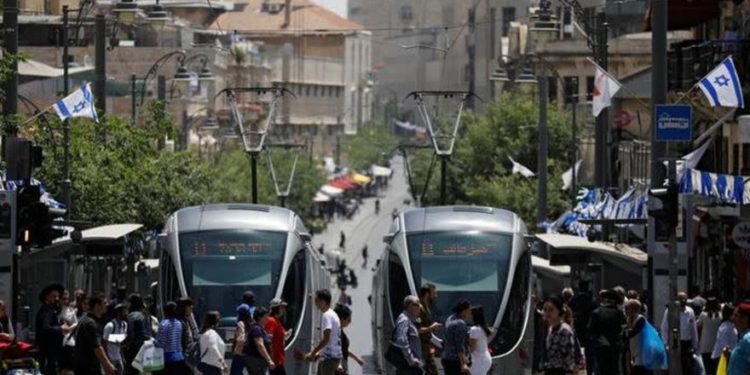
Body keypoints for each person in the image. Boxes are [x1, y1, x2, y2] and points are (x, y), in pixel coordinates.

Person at [74, 293, 117, 375]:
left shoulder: (87, 320)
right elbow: (97, 347)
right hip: (88, 367)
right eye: (104, 303)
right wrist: (108, 365)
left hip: (83, 365)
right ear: (97, 305)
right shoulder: (91, 323)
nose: (107, 305)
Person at [660, 291, 699, 375]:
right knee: (675, 367)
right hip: (675, 342)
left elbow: (693, 329)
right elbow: (664, 327)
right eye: (681, 299)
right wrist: (665, 343)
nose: (683, 301)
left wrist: (695, 345)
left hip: (687, 343)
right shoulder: (670, 311)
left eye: (685, 299)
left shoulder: (690, 312)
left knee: (687, 367)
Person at [588, 289, 625, 375]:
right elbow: (622, 330)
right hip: (614, 348)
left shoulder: (596, 312)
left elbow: (590, 331)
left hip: (600, 348)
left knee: (600, 370)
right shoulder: (618, 313)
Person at [305, 289, 342, 375]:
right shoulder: (333, 314)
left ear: (323, 301)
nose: (315, 304)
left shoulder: (327, 316)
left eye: (316, 300)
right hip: (334, 357)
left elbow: (326, 338)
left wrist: (313, 353)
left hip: (328, 360)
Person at [36, 283, 70, 375]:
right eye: (54, 296)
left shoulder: (51, 310)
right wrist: (60, 328)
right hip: (48, 353)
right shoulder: (46, 311)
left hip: (52, 354)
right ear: (47, 297)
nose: (57, 299)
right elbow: (45, 328)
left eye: (58, 296)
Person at [542, 295, 577, 375]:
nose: (547, 313)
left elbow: (568, 357)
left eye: (551, 309)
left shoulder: (564, 330)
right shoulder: (550, 329)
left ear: (559, 311)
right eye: (545, 309)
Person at [155, 301, 189, 374]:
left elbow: (161, 343)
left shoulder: (164, 323)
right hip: (179, 357)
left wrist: (154, 342)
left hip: (168, 359)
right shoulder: (179, 323)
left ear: (165, 311)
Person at [123, 294, 153, 375]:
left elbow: (130, 334)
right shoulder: (146, 315)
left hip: (134, 352)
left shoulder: (131, 316)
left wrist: (125, 345)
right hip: (146, 350)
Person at [441, 299, 473, 375]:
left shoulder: (450, 319)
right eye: (469, 310)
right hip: (456, 361)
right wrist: (463, 364)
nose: (470, 313)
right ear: (464, 311)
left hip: (447, 358)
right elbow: (460, 345)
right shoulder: (460, 324)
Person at [394, 296, 423, 375]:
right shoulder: (404, 320)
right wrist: (410, 359)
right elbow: (401, 340)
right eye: (417, 305)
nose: (420, 307)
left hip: (411, 366)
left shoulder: (409, 320)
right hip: (407, 367)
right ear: (410, 306)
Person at [334, 304, 366, 375]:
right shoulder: (335, 333)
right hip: (337, 369)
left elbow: (344, 349)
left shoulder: (339, 332)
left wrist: (357, 359)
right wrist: (338, 364)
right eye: (348, 319)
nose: (350, 322)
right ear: (342, 319)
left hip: (341, 368)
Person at [417, 284, 441, 375]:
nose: (436, 296)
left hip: (426, 347)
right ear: (427, 294)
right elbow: (418, 329)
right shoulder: (419, 308)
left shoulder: (426, 307)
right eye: (434, 293)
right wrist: (431, 327)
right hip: (420, 347)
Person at [245, 307, 275, 375]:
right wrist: (269, 360)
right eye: (266, 316)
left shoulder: (260, 328)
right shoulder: (257, 328)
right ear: (260, 317)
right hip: (257, 361)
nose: (267, 318)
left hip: (259, 361)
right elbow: (260, 345)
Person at [624, 299, 650, 375]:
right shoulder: (629, 319)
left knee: (638, 370)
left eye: (627, 309)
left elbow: (633, 333)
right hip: (633, 350)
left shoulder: (640, 319)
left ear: (633, 309)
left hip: (641, 350)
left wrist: (624, 331)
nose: (626, 311)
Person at [697, 297, 722, 375]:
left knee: (707, 368)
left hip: (705, 345)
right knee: (715, 368)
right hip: (716, 345)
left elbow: (697, 324)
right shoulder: (720, 315)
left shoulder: (703, 315)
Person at [198, 311, 227, 375]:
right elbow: (213, 348)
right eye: (218, 319)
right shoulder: (211, 333)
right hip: (212, 367)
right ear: (215, 321)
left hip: (208, 365)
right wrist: (223, 363)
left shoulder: (204, 333)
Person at [103, 303, 128, 375]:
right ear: (118, 313)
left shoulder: (124, 325)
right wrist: (107, 360)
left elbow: (119, 343)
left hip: (118, 358)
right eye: (124, 311)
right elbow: (104, 343)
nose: (126, 313)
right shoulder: (110, 325)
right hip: (110, 358)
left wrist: (122, 356)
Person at [266, 298, 289, 375]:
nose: (283, 310)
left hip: (279, 358)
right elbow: (269, 339)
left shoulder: (277, 321)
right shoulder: (271, 320)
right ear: (276, 308)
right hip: (274, 359)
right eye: (281, 307)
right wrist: (270, 359)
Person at [727, 301, 750, 375]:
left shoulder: (747, 339)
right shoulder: (743, 337)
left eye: (736, 316)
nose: (732, 318)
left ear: (745, 319)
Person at [469, 306, 493, 375]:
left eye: (470, 314)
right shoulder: (483, 328)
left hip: (478, 362)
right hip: (485, 359)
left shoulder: (474, 329)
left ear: (474, 316)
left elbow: (472, 348)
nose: (469, 316)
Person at [176, 298, 198, 369]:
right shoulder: (179, 322)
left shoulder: (186, 320)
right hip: (184, 355)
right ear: (185, 308)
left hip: (188, 354)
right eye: (191, 308)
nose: (192, 311)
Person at [230, 303, 252, 375]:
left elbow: (241, 339)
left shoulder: (240, 323)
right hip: (247, 353)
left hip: (239, 354)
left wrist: (236, 349)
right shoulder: (250, 323)